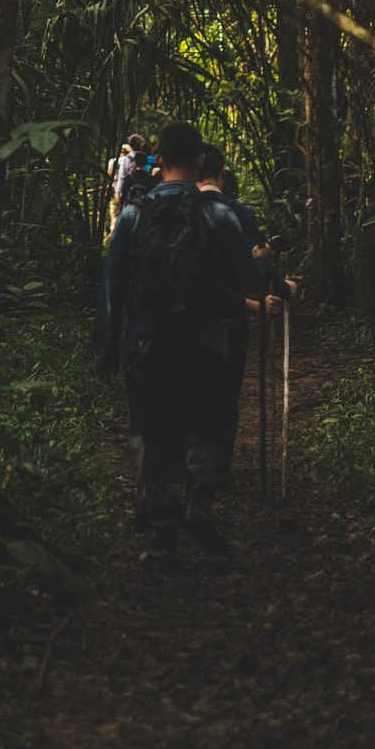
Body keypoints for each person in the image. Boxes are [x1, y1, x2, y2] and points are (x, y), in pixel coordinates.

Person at [92, 119, 254, 558]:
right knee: (209, 424)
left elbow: (113, 286)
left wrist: (106, 348)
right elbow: (247, 280)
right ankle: (199, 505)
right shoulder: (219, 214)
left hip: (147, 343)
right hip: (205, 342)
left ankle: (163, 535)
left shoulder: (132, 215)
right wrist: (276, 283)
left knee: (159, 431)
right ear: (201, 160)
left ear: (158, 159)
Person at [196, 146, 297, 480]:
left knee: (190, 391)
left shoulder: (175, 209)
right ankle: (217, 469)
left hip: (186, 320)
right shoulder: (239, 213)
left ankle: (189, 468)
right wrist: (280, 285)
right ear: (223, 173)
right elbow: (251, 272)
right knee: (226, 397)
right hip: (230, 320)